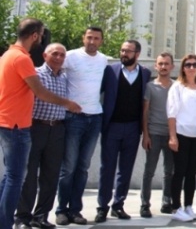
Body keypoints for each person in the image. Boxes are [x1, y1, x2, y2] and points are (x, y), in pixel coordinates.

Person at [0, 20, 80, 229]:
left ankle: (27, 217)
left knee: (13, 176)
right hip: (19, 126)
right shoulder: (22, 59)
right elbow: (40, 93)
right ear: (35, 36)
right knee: (17, 178)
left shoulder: (8, 55)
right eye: (42, 35)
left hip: (15, 123)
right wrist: (68, 104)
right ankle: (10, 222)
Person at [94, 40, 151, 223]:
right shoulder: (110, 71)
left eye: (128, 51)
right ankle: (102, 207)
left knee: (125, 170)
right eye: (122, 50)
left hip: (133, 128)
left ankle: (118, 205)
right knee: (107, 169)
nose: (124, 53)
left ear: (137, 54)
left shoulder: (145, 73)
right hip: (112, 127)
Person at [56, 27, 108, 225]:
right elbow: (54, 75)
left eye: (96, 38)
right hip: (73, 118)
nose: (92, 41)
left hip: (95, 118)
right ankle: (61, 210)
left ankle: (75, 210)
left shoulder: (103, 60)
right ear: (83, 38)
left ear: (101, 41)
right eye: (89, 37)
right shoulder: (69, 56)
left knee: (83, 167)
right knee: (68, 167)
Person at [15, 43, 69, 229]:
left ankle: (41, 216)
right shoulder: (35, 74)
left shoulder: (65, 77)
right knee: (29, 175)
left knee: (51, 175)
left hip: (57, 130)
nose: (58, 58)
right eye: (55, 54)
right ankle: (22, 217)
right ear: (45, 55)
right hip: (35, 127)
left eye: (62, 55)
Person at [167, 54, 196, 222]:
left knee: (192, 172)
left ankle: (188, 206)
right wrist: (172, 136)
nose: (191, 68)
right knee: (179, 171)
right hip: (181, 134)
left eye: (194, 65)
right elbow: (171, 113)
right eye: (188, 65)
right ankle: (176, 207)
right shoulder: (177, 87)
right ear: (183, 68)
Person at [139, 52, 175, 218]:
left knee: (169, 171)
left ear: (172, 66)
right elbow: (145, 112)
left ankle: (166, 201)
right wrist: (145, 135)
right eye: (160, 63)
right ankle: (145, 204)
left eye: (167, 64)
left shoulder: (177, 86)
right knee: (149, 171)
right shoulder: (150, 86)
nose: (163, 66)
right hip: (154, 133)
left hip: (171, 135)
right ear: (156, 66)